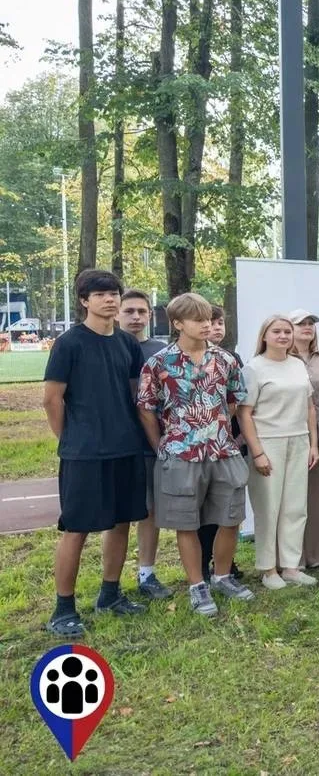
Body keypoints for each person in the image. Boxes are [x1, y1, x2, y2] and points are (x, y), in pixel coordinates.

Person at [42, 270, 149, 637]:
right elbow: (51, 398)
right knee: (77, 529)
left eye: (114, 293)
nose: (110, 299)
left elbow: (138, 397)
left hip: (126, 447)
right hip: (84, 454)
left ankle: (110, 594)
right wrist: (70, 439)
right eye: (101, 294)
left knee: (121, 523)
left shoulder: (128, 344)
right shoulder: (69, 344)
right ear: (84, 301)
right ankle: (63, 609)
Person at [136, 292, 256, 616]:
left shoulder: (226, 359)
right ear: (177, 323)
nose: (206, 325)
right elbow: (147, 409)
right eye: (197, 320)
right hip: (180, 453)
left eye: (208, 319)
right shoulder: (159, 363)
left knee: (231, 517)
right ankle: (197, 586)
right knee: (186, 523)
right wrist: (161, 444)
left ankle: (222, 576)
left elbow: (235, 400)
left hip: (222, 449)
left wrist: (217, 427)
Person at [237, 315, 319, 588]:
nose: (283, 336)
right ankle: (268, 569)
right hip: (268, 442)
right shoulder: (254, 368)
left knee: (295, 507)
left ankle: (291, 566)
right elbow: (244, 413)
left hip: (298, 441)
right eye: (277, 331)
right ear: (264, 336)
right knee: (268, 508)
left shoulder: (297, 365)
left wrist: (313, 444)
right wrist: (257, 451)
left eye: (287, 331)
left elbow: (309, 407)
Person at [116, 289, 171, 600]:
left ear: (150, 315)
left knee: (151, 511)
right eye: (129, 311)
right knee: (120, 514)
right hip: (116, 443)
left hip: (152, 442)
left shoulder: (161, 351)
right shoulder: (108, 346)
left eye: (141, 311)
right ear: (118, 313)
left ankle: (146, 573)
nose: (135, 317)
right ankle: (111, 581)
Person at [289, 309, 319, 569]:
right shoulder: (282, 358)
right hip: (291, 436)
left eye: (311, 324)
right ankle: (294, 558)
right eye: (301, 323)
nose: (307, 327)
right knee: (293, 499)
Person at [199, 306, 245, 581]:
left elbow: (236, 401)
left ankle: (225, 563)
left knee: (226, 511)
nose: (216, 328)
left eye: (219, 323)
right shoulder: (175, 360)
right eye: (210, 322)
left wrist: (235, 437)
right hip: (196, 448)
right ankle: (202, 563)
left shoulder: (231, 359)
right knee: (202, 513)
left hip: (227, 444)